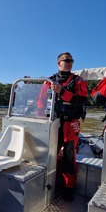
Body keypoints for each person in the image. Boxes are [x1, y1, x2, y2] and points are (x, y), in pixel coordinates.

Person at [37, 52, 88, 201]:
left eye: (71, 60)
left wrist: (62, 92)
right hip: (53, 123)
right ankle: (50, 183)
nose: (70, 63)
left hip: (70, 123)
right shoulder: (48, 82)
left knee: (68, 156)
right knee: (49, 154)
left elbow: (81, 101)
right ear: (59, 63)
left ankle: (68, 187)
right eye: (66, 60)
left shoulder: (79, 81)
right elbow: (40, 104)